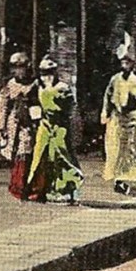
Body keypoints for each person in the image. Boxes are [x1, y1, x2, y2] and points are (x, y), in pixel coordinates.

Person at [28, 57, 83, 204]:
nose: (46, 77)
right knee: (41, 156)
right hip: (44, 125)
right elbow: (31, 102)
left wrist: (61, 117)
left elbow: (71, 107)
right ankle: (41, 189)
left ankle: (69, 189)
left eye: (49, 73)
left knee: (62, 157)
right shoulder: (38, 87)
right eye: (43, 73)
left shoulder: (62, 88)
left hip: (60, 127)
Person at [0, 52, 39, 200]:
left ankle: (32, 188)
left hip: (33, 124)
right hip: (15, 125)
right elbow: (1, 108)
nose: (18, 71)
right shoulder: (9, 85)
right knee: (19, 155)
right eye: (15, 67)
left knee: (32, 155)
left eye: (21, 67)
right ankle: (19, 187)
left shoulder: (36, 84)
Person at [101, 50, 136, 195]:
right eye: (123, 62)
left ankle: (124, 180)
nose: (125, 65)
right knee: (114, 150)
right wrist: (105, 113)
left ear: (133, 65)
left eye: (128, 63)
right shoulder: (115, 80)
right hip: (116, 118)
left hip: (131, 119)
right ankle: (117, 179)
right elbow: (107, 97)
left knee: (129, 151)